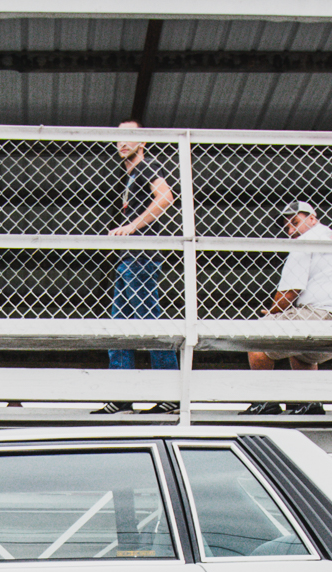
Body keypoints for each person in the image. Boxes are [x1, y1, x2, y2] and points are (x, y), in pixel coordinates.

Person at [243, 200, 332, 416]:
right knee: (300, 350)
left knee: (256, 335)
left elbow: (289, 291)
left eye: (295, 222)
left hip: (328, 313)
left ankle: (264, 401)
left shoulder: (307, 240)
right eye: (287, 227)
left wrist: (273, 311)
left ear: (312, 219)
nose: (291, 231)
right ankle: (308, 401)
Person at [95, 119, 180, 416]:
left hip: (142, 257)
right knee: (119, 326)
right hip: (128, 259)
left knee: (149, 323)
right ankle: (122, 395)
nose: (122, 143)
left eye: (129, 137)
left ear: (142, 141)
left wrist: (132, 226)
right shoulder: (129, 177)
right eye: (118, 138)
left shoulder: (146, 168)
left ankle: (170, 394)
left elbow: (166, 197)